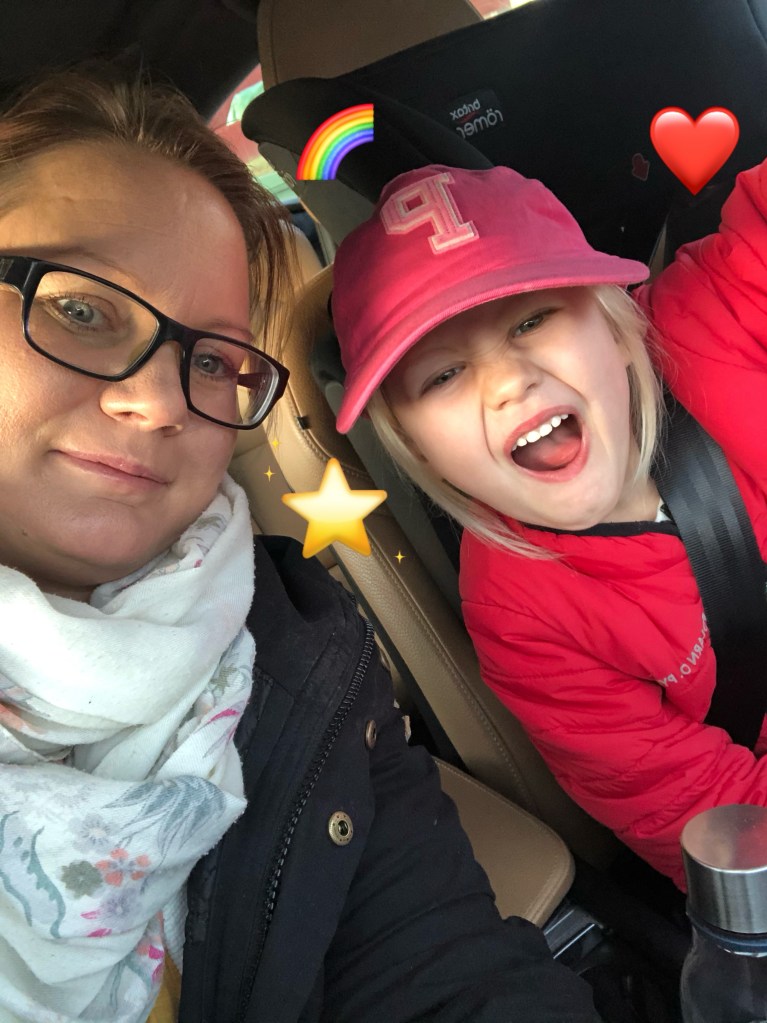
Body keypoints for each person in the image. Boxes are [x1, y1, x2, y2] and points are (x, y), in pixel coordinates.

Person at [0, 66, 602, 1023]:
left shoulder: (302, 661)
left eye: (210, 359)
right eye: (81, 308)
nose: (155, 402)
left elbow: (448, 969)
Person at [330, 160, 767, 892]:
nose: (509, 382)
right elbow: (702, 813)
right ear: (415, 446)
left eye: (532, 319)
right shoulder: (520, 614)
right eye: (442, 375)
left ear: (615, 323)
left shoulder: (713, 318)